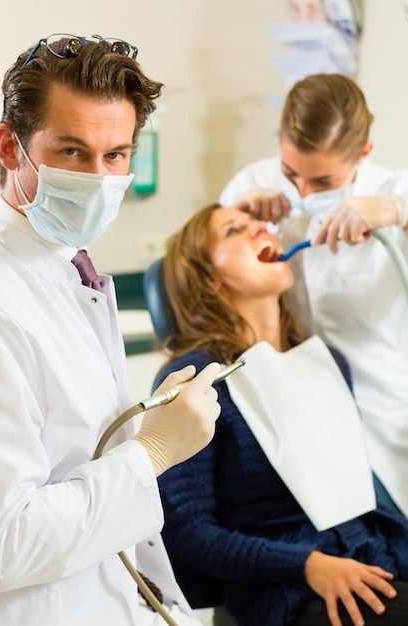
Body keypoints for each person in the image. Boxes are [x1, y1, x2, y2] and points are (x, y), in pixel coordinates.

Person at [0, 34, 222, 626]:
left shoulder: (66, 264)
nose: (97, 177)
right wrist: (151, 454)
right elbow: (4, 545)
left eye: (116, 155)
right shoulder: (0, 298)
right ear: (8, 148)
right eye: (72, 152)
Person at [155, 202, 408, 626]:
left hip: (376, 558)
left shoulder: (327, 362)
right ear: (210, 279)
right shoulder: (200, 378)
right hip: (292, 593)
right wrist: (307, 565)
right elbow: (185, 533)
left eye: (258, 223)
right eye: (235, 231)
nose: (260, 229)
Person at [218, 72, 408, 517]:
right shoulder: (254, 181)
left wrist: (397, 211)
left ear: (364, 154)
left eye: (322, 183)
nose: (301, 194)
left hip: (378, 407)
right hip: (285, 395)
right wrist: (235, 215)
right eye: (290, 174)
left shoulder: (391, 193)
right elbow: (208, 261)